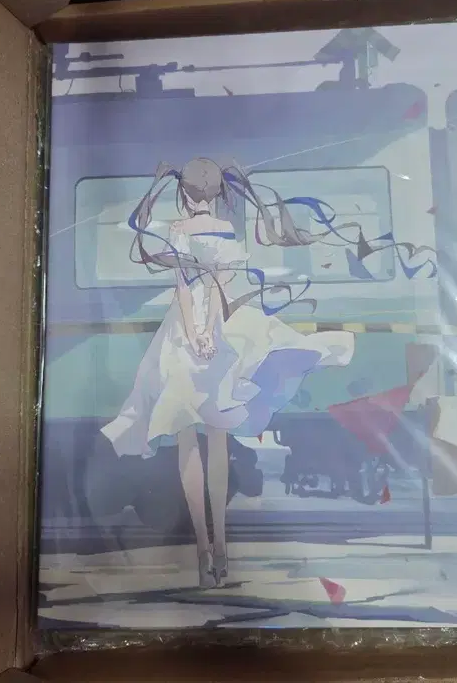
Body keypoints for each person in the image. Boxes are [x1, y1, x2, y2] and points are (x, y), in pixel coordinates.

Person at [100, 157, 355, 588]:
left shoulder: (179, 230)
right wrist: (212, 332)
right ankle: (221, 546)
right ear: (218, 191)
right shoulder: (226, 230)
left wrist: (195, 334)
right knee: (218, 438)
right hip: (223, 329)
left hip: (182, 336)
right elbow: (224, 287)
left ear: (184, 194)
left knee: (186, 439)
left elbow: (183, 289)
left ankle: (202, 550)